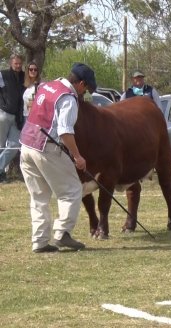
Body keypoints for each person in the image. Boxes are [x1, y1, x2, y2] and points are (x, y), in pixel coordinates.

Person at [19, 62, 97, 253]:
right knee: (71, 190)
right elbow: (64, 132)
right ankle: (62, 233)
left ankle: (39, 241)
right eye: (86, 88)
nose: (84, 93)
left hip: (26, 145)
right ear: (81, 83)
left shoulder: (47, 85)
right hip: (47, 147)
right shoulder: (68, 98)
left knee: (39, 196)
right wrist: (78, 156)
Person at [0, 54, 25, 183]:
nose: (18, 66)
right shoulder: (2, 74)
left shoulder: (24, 77)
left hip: (17, 117)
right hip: (3, 114)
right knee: (1, 145)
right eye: (16, 63)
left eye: (20, 63)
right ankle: (2, 174)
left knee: (14, 146)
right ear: (11, 63)